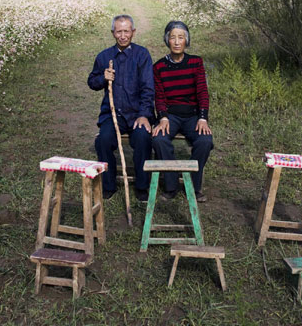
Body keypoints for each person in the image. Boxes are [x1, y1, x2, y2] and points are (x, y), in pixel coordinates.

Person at [88, 14, 154, 202]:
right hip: (112, 114)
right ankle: (109, 185)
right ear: (113, 33)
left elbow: (149, 88)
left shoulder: (142, 55)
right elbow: (91, 82)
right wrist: (103, 77)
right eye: (119, 31)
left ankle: (142, 186)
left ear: (133, 32)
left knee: (142, 138)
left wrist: (144, 115)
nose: (123, 35)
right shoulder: (104, 57)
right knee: (103, 141)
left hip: (136, 114)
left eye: (127, 31)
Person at [152, 20, 213, 202]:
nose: (177, 42)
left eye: (181, 37)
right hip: (170, 116)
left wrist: (203, 118)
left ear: (187, 40)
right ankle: (171, 186)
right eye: (173, 37)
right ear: (167, 40)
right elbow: (159, 96)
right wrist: (162, 117)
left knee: (205, 141)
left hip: (192, 115)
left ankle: (193, 187)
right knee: (159, 139)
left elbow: (202, 91)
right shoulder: (159, 67)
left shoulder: (195, 62)